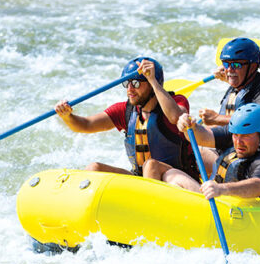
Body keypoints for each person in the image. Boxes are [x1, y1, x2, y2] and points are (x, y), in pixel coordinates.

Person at [54, 57, 198, 180]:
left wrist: (153, 80)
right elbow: (85, 125)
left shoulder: (177, 101)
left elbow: (176, 118)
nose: (129, 89)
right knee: (94, 168)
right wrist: (67, 116)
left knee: (151, 166)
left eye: (135, 83)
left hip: (175, 179)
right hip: (140, 179)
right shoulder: (125, 110)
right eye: (126, 83)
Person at [173, 104, 260, 199]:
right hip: (219, 199)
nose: (238, 141)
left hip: (250, 214)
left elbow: (258, 185)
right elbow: (202, 137)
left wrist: (222, 189)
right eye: (235, 135)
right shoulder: (238, 135)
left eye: (245, 136)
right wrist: (189, 127)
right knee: (171, 174)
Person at [199, 37, 260, 127]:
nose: (229, 70)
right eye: (226, 64)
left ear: (253, 67)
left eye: (236, 65)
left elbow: (257, 121)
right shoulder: (236, 87)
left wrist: (217, 118)